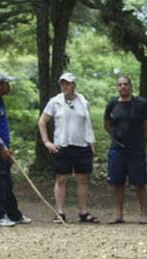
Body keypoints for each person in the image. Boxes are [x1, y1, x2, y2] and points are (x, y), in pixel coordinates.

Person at [38, 72, 98, 224]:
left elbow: (88, 124)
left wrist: (91, 143)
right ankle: (60, 212)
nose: (65, 86)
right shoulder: (55, 102)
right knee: (61, 178)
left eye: (68, 83)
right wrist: (46, 141)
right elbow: (42, 121)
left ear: (74, 85)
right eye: (62, 83)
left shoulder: (83, 101)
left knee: (82, 178)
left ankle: (83, 212)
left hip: (82, 144)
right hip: (62, 145)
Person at [0, 72, 30, 227]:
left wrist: (7, 148)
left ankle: (14, 215)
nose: (9, 87)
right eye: (6, 84)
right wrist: (0, 146)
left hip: (4, 148)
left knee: (7, 183)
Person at [104, 76, 147, 224]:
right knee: (117, 182)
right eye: (120, 85)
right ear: (117, 87)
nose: (123, 87)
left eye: (125, 84)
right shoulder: (112, 104)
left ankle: (144, 214)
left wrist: (138, 138)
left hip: (136, 149)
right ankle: (118, 214)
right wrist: (116, 137)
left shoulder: (141, 104)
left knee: (140, 182)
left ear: (131, 86)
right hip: (117, 149)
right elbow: (107, 124)